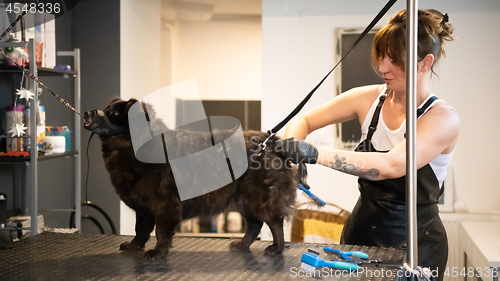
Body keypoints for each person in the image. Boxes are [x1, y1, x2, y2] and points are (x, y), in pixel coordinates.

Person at [277, 9, 458, 281]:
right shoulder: (369, 100)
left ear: (424, 62)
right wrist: (292, 151)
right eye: (381, 56)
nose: (383, 67)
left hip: (417, 246)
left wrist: (313, 153)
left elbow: (390, 165)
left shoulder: (442, 119)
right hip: (359, 238)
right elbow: (304, 119)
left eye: (394, 60)